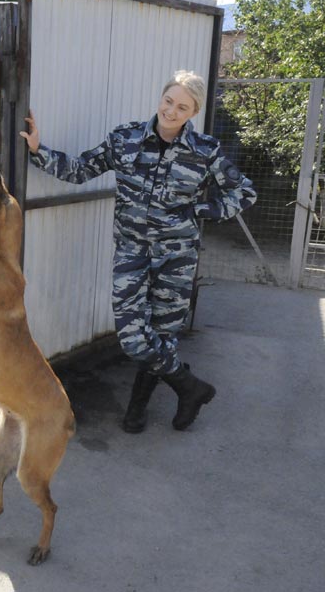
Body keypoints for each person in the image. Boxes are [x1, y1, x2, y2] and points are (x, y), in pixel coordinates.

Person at [20, 70, 256, 434]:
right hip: (132, 253)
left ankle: (137, 409)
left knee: (163, 334)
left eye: (182, 107)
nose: (171, 111)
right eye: (168, 101)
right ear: (160, 98)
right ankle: (188, 386)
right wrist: (38, 150)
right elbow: (81, 170)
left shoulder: (205, 151)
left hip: (177, 259)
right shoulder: (126, 138)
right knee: (133, 336)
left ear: (193, 112)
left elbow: (244, 193)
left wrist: (200, 211)